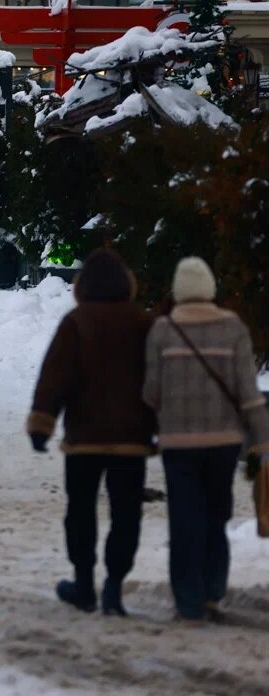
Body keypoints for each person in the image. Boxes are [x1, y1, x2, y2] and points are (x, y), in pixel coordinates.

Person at [27, 249, 157, 617]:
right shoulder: (143, 323)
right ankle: (114, 586)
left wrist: (42, 423)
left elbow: (55, 378)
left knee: (81, 511)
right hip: (132, 439)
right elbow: (159, 380)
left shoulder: (76, 321)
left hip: (84, 439)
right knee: (126, 514)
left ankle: (84, 583)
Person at [143, 257, 269, 623]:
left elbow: (150, 391)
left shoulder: (163, 331)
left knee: (184, 519)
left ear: (179, 291)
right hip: (223, 443)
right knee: (216, 517)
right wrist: (261, 443)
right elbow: (249, 394)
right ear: (210, 289)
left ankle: (188, 599)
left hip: (178, 444)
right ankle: (213, 593)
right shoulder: (233, 329)